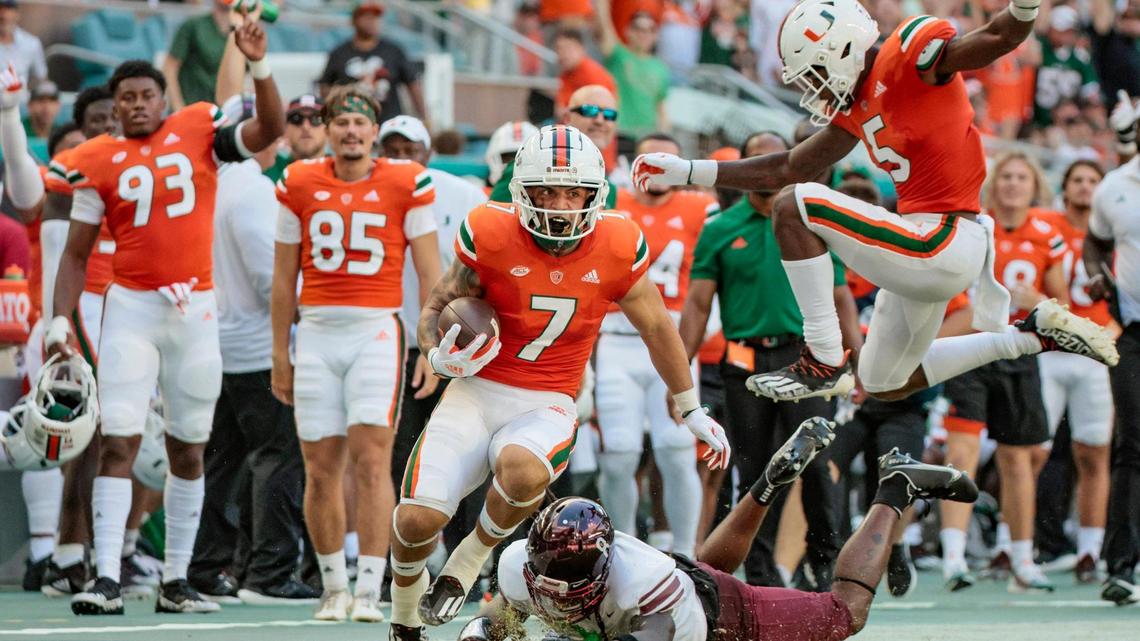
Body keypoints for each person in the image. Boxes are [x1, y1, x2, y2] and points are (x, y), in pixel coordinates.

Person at [633, 0, 1116, 408]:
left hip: (944, 237)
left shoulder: (906, 57)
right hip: (924, 244)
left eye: (816, 72)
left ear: (841, 49)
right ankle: (1030, 337)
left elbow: (995, 37)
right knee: (884, 383)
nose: (813, 87)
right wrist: (688, 171)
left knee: (791, 206)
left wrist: (1024, 8)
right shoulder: (861, 100)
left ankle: (822, 357)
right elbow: (788, 165)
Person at [388, 124, 731, 639]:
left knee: (523, 471)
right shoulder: (490, 228)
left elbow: (658, 325)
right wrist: (439, 356)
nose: (561, 205)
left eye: (574, 192)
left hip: (547, 398)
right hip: (476, 390)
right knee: (416, 521)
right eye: (547, 190)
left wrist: (690, 407)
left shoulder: (617, 241)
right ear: (522, 192)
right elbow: (439, 303)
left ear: (594, 195)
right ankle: (402, 619)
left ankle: (469, 557)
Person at [45, 14, 284, 615]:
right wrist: (58, 319)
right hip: (131, 306)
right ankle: (105, 577)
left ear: (161, 98)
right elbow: (75, 254)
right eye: (126, 98)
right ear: (115, 106)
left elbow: (270, 128)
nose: (137, 105)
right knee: (118, 440)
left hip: (194, 309)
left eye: (146, 95)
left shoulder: (199, 128)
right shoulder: (97, 159)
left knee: (188, 448)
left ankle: (176, 580)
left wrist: (259, 65)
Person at [460, 417, 978, 641]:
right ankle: (769, 482)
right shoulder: (515, 569)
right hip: (680, 584)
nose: (555, 597)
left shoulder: (642, 586)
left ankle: (896, 489)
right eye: (543, 579)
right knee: (703, 568)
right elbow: (499, 622)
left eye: (569, 587)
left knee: (847, 615)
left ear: (604, 568)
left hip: (720, 619)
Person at [271, 87, 442, 623]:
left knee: (373, 460)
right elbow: (283, 278)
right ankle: (332, 587)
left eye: (359, 123)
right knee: (320, 467)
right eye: (340, 121)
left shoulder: (406, 180)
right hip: (317, 331)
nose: (350, 130)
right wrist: (281, 352)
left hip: (376, 331)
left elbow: (432, 275)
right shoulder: (298, 180)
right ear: (326, 129)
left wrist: (431, 345)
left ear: (374, 131)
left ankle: (370, 588)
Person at [678, 131, 858, 588]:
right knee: (754, 471)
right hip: (744, 364)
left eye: (771, 159)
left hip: (809, 359)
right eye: (754, 159)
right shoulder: (719, 228)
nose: (764, 167)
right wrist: (676, 376)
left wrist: (857, 363)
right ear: (742, 170)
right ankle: (760, 577)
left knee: (817, 463)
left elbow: (841, 296)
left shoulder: (809, 221)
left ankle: (826, 563)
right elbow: (698, 305)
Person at [186, 75, 317, 605]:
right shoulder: (254, 192)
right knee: (278, 459)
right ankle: (269, 573)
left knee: (221, 464)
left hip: (215, 344)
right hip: (260, 350)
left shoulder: (211, 185)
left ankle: (206, 567)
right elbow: (274, 283)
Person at [596, 132, 718, 560]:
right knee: (619, 455)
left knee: (676, 449)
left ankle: (686, 555)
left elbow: (712, 283)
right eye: (651, 160)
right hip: (615, 339)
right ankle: (619, 552)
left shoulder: (700, 207)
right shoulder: (611, 206)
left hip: (673, 340)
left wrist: (691, 347)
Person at [1035, 160, 1112, 585]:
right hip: (1051, 349)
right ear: (1064, 188)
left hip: (1096, 354)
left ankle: (1089, 550)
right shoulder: (1044, 224)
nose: (1084, 187)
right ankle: (1020, 546)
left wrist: (1107, 337)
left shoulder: (1115, 228)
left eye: (1092, 180)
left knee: (1094, 452)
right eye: (1077, 180)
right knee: (1032, 453)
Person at [1085, 137, 1140, 606]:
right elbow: (1095, 241)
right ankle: (1121, 565)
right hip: (1135, 332)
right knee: (1132, 445)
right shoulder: (1114, 187)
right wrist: (1096, 273)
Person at [488, 85, 620, 206]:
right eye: (590, 111)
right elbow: (497, 222)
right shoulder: (529, 165)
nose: (600, 120)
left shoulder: (609, 187)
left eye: (610, 115)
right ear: (567, 118)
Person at [318, 0, 424, 125]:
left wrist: (423, 117)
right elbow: (324, 87)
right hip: (352, 124)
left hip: (389, 124)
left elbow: (413, 84)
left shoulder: (393, 50)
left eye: (375, 17)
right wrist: (344, 92)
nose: (372, 22)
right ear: (354, 20)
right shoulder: (339, 53)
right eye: (366, 17)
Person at [595, 0, 670, 141]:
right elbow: (603, 24)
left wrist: (662, 138)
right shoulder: (617, 54)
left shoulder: (660, 67)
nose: (644, 34)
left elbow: (661, 107)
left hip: (647, 137)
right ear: (628, 31)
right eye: (638, 29)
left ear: (656, 35)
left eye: (650, 30)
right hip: (618, 133)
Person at [1032, 5, 1099, 129]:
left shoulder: (1080, 56)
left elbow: (1091, 93)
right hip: (1037, 119)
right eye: (1064, 30)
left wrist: (1076, 108)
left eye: (1070, 30)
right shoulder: (1039, 48)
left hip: (1069, 120)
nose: (1067, 35)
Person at [163, 0, 232, 110]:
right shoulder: (193, 26)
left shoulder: (240, 32)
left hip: (221, 113)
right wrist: (178, 107)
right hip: (191, 108)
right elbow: (169, 68)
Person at [553, 29, 617, 119]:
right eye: (558, 48)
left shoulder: (592, 73)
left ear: (581, 49)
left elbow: (603, 110)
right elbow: (560, 109)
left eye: (568, 48)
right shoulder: (565, 74)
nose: (562, 53)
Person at [264, 95, 326, 183]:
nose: (305, 126)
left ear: (329, 129)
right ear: (285, 129)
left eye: (316, 119)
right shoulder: (268, 167)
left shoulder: (342, 170)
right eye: (296, 119)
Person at [0, 0, 45, 91]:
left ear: (16, 14)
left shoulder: (31, 43)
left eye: (8, 9)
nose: (4, 14)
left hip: (21, 101)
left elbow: (40, 77)